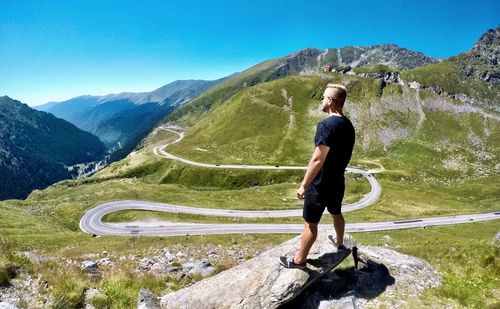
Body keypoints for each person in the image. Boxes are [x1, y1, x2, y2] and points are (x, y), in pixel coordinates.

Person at [280, 83, 355, 269]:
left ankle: (298, 261)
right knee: (336, 212)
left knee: (310, 224)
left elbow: (317, 159)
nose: (321, 100)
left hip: (320, 184)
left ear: (330, 101)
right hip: (338, 181)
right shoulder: (348, 125)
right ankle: (339, 243)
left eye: (323, 97)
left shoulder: (326, 125)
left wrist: (304, 185)